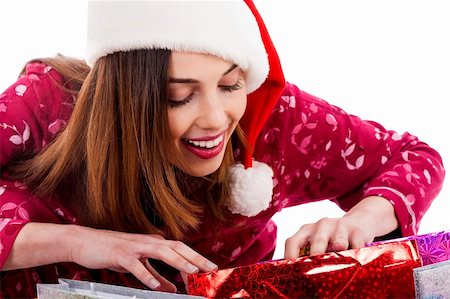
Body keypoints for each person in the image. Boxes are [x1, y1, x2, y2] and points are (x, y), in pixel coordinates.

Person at [0, 0, 445, 298]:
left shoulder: (274, 118)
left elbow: (412, 157)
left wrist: (360, 221)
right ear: (123, 100)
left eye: (231, 84)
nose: (216, 118)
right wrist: (78, 243)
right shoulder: (48, 102)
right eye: (178, 95)